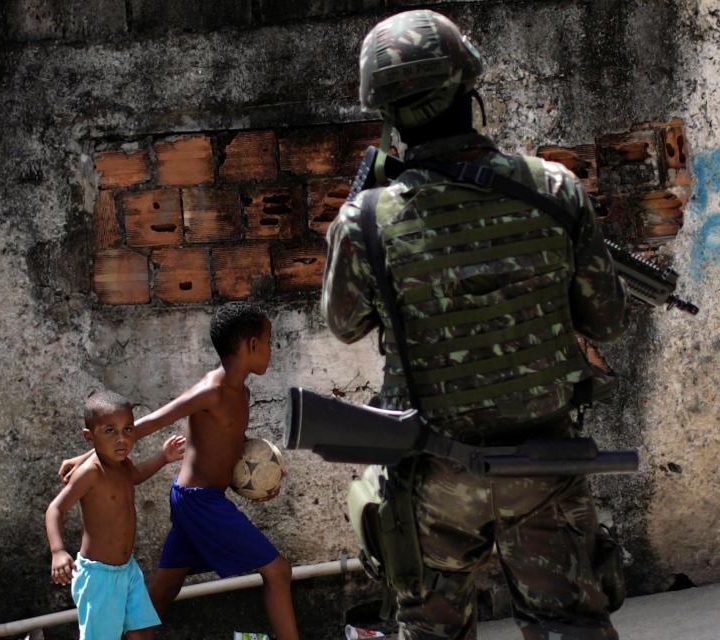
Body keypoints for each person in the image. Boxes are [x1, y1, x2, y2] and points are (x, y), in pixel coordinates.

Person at [321, 10, 629, 640]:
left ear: (388, 113)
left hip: (433, 476)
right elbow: (608, 319)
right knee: (571, 627)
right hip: (543, 463)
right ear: (469, 84)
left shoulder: (366, 219)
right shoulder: (554, 189)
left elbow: (344, 325)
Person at [60, 302, 299, 640]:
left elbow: (229, 444)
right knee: (278, 570)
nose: (272, 350)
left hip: (196, 500)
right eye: (269, 341)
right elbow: (146, 424)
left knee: (163, 592)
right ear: (252, 345)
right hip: (199, 501)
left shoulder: (242, 392)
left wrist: (262, 478)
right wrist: (86, 457)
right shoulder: (210, 391)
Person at [45, 390, 186, 640]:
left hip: (127, 570)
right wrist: (57, 551)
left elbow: (137, 476)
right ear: (89, 437)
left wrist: (163, 458)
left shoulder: (123, 465)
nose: (122, 439)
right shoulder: (90, 473)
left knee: (142, 632)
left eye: (128, 429)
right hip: (99, 577)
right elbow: (55, 508)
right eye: (110, 431)